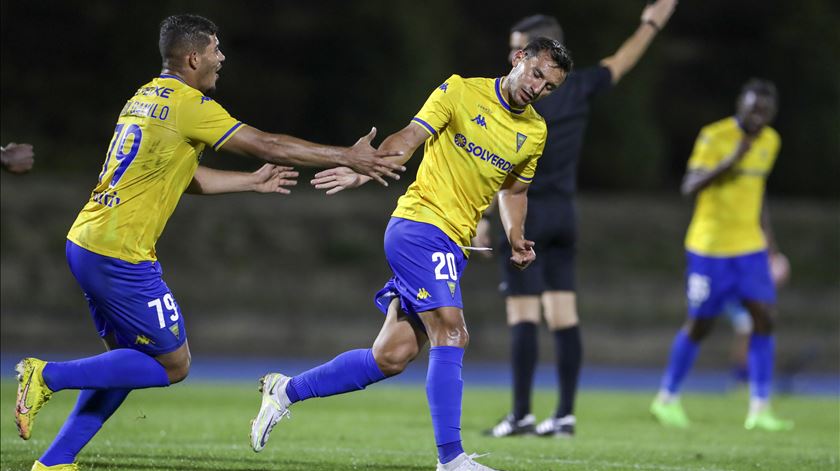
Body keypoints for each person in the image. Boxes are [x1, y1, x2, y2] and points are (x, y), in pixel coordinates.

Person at [14, 14, 405, 471]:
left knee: (128, 362)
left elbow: (182, 175)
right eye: (215, 50)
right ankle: (47, 375)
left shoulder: (143, 96)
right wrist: (347, 155)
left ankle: (56, 461)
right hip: (120, 253)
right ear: (193, 57)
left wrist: (250, 183)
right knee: (172, 365)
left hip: (87, 241)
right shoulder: (188, 104)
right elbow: (267, 143)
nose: (221, 58)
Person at [249, 38, 573, 470]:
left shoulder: (534, 131)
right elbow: (411, 135)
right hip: (420, 227)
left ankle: (285, 390)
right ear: (519, 59)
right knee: (452, 332)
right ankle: (452, 460)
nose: (539, 88)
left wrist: (516, 235)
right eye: (537, 74)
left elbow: (514, 190)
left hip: (452, 244)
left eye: (550, 86)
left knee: (392, 355)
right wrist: (368, 166)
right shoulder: (460, 90)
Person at [480, 0, 677, 439]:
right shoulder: (582, 85)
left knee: (524, 316)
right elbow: (623, 60)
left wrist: (484, 216)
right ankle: (565, 415)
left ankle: (521, 415)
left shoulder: (520, 99)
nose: (513, 57)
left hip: (526, 215)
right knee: (564, 315)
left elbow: (503, 168)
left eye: (521, 48)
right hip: (565, 215)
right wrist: (650, 23)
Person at [649, 78, 794, 431]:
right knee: (701, 323)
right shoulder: (715, 136)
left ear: (772, 113)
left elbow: (757, 193)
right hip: (709, 247)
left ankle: (759, 408)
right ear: (739, 106)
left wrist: (771, 245)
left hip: (750, 248)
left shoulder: (771, 141)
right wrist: (732, 160)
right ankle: (666, 398)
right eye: (751, 108)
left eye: (763, 111)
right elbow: (689, 185)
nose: (757, 116)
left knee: (765, 317)